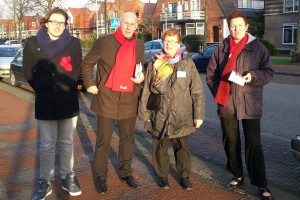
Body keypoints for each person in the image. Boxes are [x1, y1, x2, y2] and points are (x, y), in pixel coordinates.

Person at [206, 10, 274, 200]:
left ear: (246, 27)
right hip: (227, 104)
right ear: (229, 27)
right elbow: (211, 75)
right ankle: (237, 174)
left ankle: (261, 184)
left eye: (239, 25)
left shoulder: (258, 48)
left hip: (250, 104)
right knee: (230, 142)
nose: (236, 29)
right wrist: (220, 93)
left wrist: (253, 77)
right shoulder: (221, 49)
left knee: (254, 144)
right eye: (232, 26)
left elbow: (269, 72)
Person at [81, 12, 145, 194]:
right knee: (103, 141)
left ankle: (126, 173)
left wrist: (142, 77)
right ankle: (101, 177)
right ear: (120, 23)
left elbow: (141, 68)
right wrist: (90, 84)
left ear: (136, 26)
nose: (128, 27)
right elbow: (87, 63)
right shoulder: (104, 42)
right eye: (126, 23)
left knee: (127, 140)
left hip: (129, 100)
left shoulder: (139, 46)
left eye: (132, 24)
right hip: (106, 99)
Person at [23, 7, 82, 200]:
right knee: (47, 145)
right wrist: (41, 87)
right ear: (46, 23)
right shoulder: (32, 43)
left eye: (61, 23)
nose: (57, 26)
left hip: (67, 100)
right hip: (45, 100)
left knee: (66, 142)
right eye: (54, 22)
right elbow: (27, 72)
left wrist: (66, 87)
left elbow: (76, 71)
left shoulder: (74, 43)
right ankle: (45, 181)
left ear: (66, 25)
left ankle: (67, 177)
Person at [138, 28, 205, 190]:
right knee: (160, 147)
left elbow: (197, 90)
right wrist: (144, 114)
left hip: (182, 115)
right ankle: (162, 176)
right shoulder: (155, 63)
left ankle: (184, 176)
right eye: (166, 41)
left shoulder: (188, 64)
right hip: (159, 113)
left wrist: (199, 115)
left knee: (182, 148)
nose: (168, 44)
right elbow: (146, 89)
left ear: (179, 44)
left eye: (172, 41)